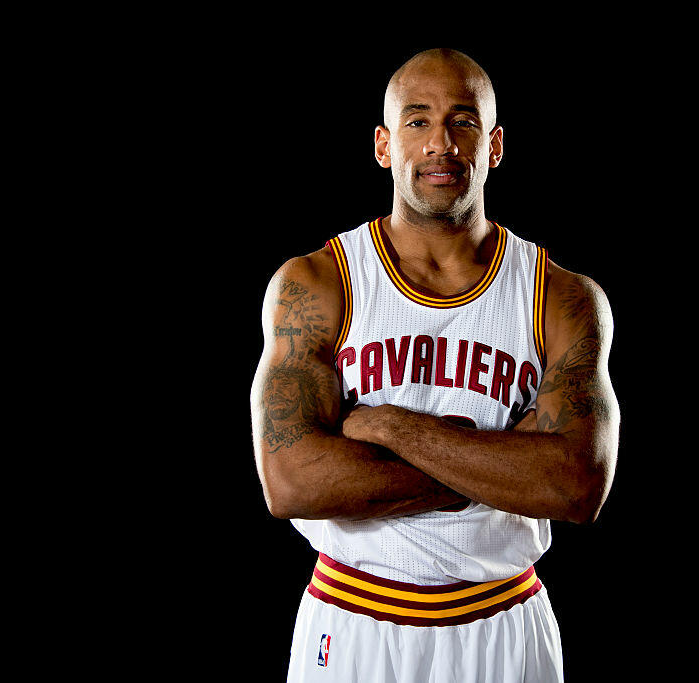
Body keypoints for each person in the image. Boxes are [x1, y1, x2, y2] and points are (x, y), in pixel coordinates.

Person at [251, 48, 620, 682]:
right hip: (352, 615)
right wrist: (501, 463)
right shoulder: (318, 283)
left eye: (463, 121)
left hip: (503, 619)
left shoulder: (560, 297)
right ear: (383, 145)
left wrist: (392, 427)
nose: (441, 143)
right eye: (417, 121)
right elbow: (292, 484)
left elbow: (575, 487)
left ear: (495, 145)